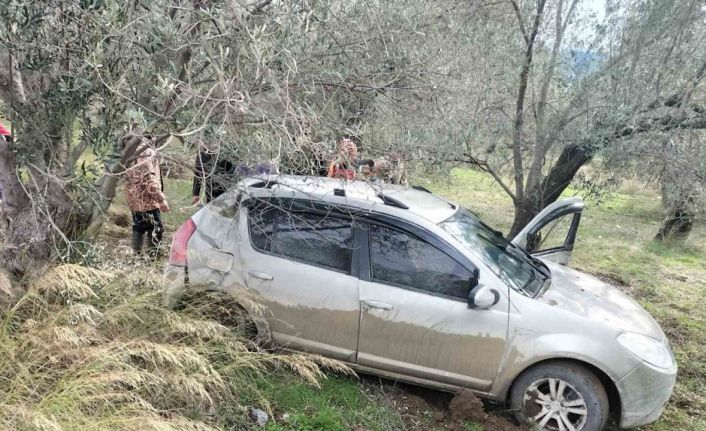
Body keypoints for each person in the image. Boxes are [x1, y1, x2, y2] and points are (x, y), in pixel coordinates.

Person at [124, 134, 170, 258]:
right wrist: (161, 200)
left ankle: (136, 256)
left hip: (134, 198)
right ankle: (153, 256)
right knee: (156, 228)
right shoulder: (146, 152)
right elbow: (150, 179)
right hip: (147, 199)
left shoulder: (129, 150)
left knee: (139, 226)